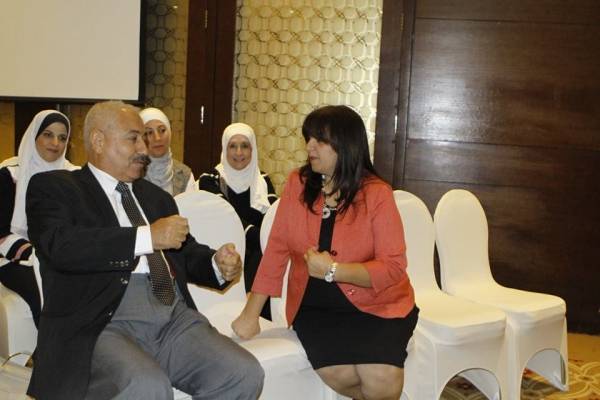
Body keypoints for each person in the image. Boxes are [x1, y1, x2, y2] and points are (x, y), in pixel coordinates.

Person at [25, 101, 264, 400]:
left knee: (243, 373)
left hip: (172, 319)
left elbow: (184, 251)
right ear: (98, 141)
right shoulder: (56, 188)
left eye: (145, 138)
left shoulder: (155, 197)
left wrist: (216, 263)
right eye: (134, 138)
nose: (144, 148)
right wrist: (146, 237)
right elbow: (61, 246)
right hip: (102, 323)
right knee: (148, 387)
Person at [232, 105, 418, 400]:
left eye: (319, 140)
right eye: (308, 138)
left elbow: (393, 267)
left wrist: (334, 270)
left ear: (345, 144)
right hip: (316, 307)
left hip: (377, 304)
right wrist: (250, 314)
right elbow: (277, 248)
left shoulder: (376, 193)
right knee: (341, 375)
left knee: (380, 378)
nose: (309, 147)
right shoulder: (298, 183)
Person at [0, 110, 77, 328]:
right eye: (47, 135)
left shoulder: (74, 176)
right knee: (45, 292)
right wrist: (34, 253)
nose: (55, 143)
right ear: (34, 136)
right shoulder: (10, 174)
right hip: (15, 258)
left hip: (63, 255)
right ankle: (50, 347)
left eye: (62, 138)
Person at [198, 123, 277, 319]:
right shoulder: (210, 179)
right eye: (232, 146)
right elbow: (225, 216)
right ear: (224, 148)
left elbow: (272, 218)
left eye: (245, 146)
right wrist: (261, 237)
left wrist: (267, 238)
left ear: (253, 149)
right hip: (222, 251)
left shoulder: (262, 180)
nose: (239, 152)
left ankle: (252, 307)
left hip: (257, 257)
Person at [139, 106, 196, 196]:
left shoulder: (184, 174)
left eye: (162, 130)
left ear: (170, 132)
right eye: (149, 132)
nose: (157, 138)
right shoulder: (132, 173)